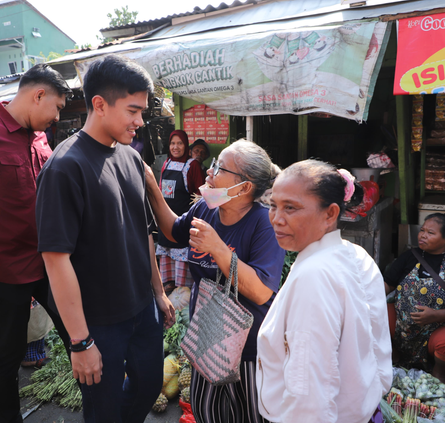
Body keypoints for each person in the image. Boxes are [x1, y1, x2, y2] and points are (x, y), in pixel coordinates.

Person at [35, 55, 175, 423]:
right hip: (97, 322)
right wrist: (80, 341)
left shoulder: (130, 158)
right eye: (132, 110)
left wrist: (158, 292)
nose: (140, 121)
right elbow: (55, 259)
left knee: (148, 386)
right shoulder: (65, 167)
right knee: (103, 409)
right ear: (99, 104)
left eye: (142, 111)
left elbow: (143, 229)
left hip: (141, 309)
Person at [146, 139, 285, 423]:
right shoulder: (206, 210)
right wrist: (150, 184)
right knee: (206, 412)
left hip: (247, 350)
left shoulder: (264, 224)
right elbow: (173, 230)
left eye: (219, 167)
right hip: (207, 338)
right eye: (213, 164)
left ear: (245, 187)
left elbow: (260, 293)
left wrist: (218, 248)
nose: (209, 172)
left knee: (248, 415)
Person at [0, 63, 72, 423]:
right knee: (7, 357)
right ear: (38, 95)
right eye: (56, 107)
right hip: (3, 270)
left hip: (48, 262)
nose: (57, 118)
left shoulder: (41, 137)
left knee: (79, 333)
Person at [257, 159, 392, 423]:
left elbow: (307, 389)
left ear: (330, 214)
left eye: (291, 208)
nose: (277, 219)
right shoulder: (356, 255)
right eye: (273, 205)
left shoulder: (314, 275)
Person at [385, 213, 445, 380]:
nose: (423, 235)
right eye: (422, 230)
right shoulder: (410, 256)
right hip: (401, 325)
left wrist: (435, 315)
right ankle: (390, 357)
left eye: (431, 233)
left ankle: (439, 376)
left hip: (435, 330)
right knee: (372, 314)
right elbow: (387, 284)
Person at [157, 130, 205, 292]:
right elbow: (160, 190)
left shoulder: (193, 165)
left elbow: (201, 197)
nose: (175, 147)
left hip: (183, 223)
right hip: (165, 224)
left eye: (180, 143)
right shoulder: (166, 164)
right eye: (172, 143)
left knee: (183, 286)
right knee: (168, 283)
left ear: (186, 146)